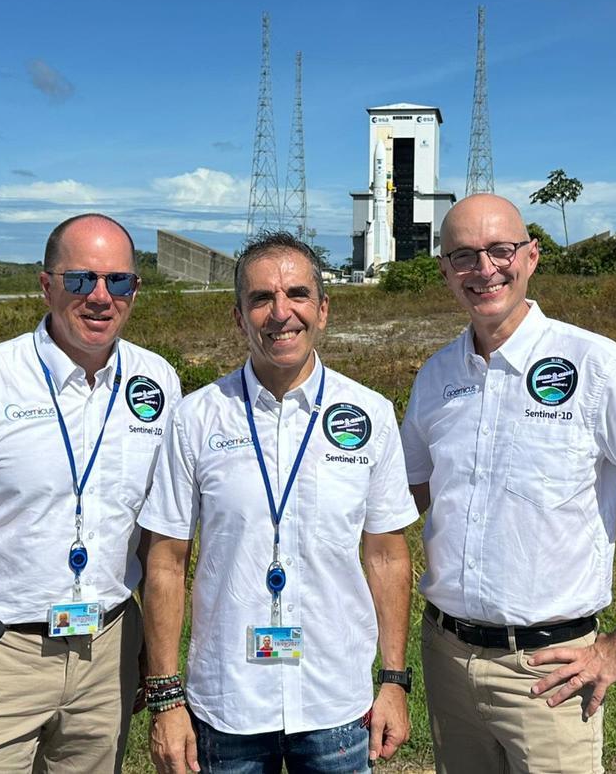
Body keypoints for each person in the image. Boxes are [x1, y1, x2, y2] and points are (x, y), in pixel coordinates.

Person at [402, 194, 616, 774]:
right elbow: (406, 498)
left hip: (549, 673)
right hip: (445, 657)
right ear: (443, 268)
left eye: (501, 250)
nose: (485, 269)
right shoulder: (436, 375)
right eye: (464, 255)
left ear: (532, 256)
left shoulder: (598, 365)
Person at [0, 213, 180, 774]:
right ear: (46, 284)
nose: (100, 297)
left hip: (107, 647)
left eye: (119, 281)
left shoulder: (158, 381)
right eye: (79, 280)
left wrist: (153, 652)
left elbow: (152, 533)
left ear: (136, 288)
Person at [140, 231, 419, 774]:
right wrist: (166, 699)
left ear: (323, 309)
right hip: (228, 703)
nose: (280, 313)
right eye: (261, 298)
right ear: (239, 317)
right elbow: (166, 563)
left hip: (336, 700)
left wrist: (394, 681)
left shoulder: (370, 414)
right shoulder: (195, 418)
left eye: (296, 294)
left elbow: (387, 555)